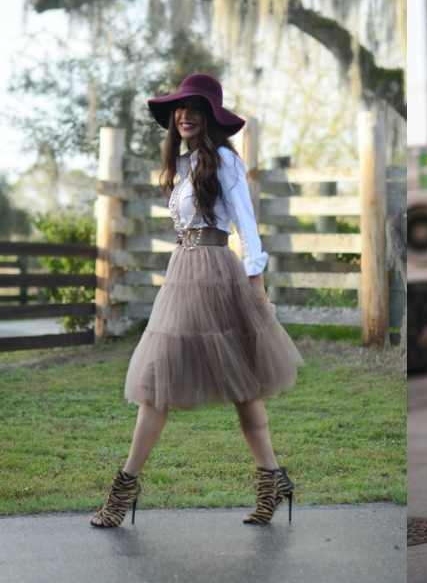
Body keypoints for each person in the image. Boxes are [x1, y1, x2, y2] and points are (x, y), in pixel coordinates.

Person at [89, 73, 304, 528]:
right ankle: (271, 481)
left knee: (240, 385)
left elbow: (246, 225)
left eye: (196, 108)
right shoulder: (183, 166)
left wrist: (256, 285)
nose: (185, 115)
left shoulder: (224, 160)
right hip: (184, 272)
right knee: (158, 379)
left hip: (217, 273)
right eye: (180, 109)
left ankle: (268, 483)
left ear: (211, 117)